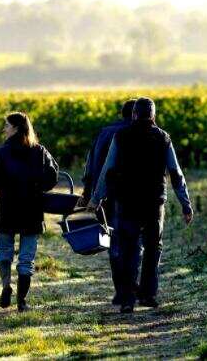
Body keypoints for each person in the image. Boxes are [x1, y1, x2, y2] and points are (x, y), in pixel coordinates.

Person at [88, 97, 193, 313]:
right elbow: (176, 173)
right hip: (154, 202)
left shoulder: (121, 136)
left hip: (126, 201)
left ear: (134, 115)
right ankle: (148, 294)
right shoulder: (163, 138)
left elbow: (108, 169)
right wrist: (185, 203)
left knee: (128, 247)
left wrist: (96, 198)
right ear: (153, 116)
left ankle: (127, 299)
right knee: (154, 247)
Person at [0, 112, 58, 312]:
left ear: (15, 128)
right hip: (32, 209)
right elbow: (52, 176)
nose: (4, 129)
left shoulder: (2, 152)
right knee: (27, 257)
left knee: (3, 251)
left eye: (6, 125)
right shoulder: (39, 151)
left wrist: (7, 187)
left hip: (7, 208)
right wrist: (37, 187)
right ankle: (22, 301)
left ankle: (6, 285)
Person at [78, 99, 136, 305]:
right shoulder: (146, 132)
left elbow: (91, 163)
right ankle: (132, 286)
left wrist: (89, 192)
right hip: (138, 196)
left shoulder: (105, 132)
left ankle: (121, 290)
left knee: (114, 239)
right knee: (136, 241)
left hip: (108, 195)